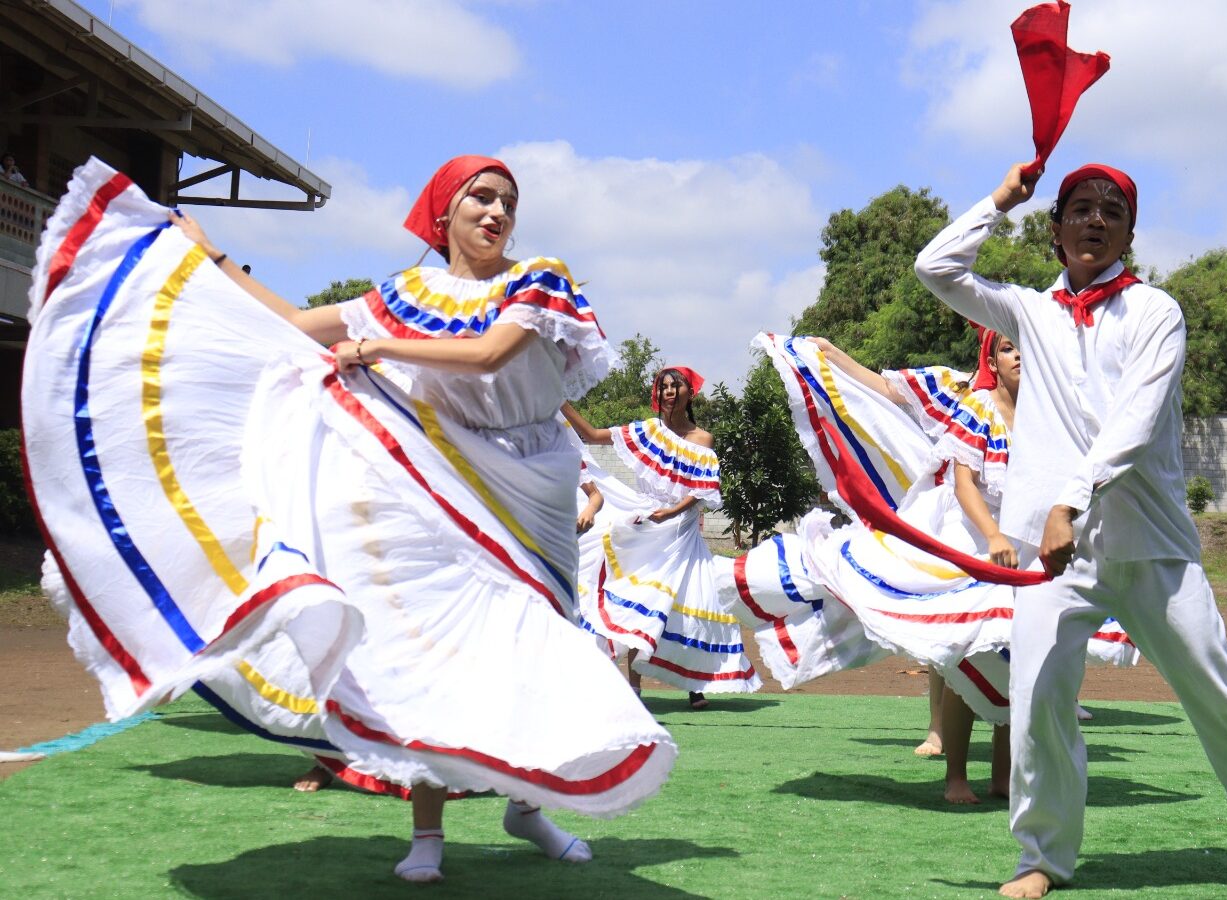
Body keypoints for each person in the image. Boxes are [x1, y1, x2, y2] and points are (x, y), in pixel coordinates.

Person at [24, 155, 675, 884]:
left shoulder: (539, 278)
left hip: (531, 486)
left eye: (507, 203)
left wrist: (375, 347)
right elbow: (297, 325)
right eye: (480, 198)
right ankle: (426, 834)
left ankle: (526, 807)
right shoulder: (406, 292)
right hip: (432, 484)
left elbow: (491, 356)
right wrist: (213, 260)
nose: (496, 213)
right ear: (444, 212)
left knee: (535, 644)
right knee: (433, 657)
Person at [915, 161, 1227, 894]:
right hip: (1055, 560)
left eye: (1112, 211)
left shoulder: (1157, 313)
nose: (1095, 221)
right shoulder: (1027, 313)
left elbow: (1135, 421)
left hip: (1149, 543)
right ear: (1055, 228)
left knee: (1225, 696)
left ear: (1130, 233)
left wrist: (1068, 501)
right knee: (1039, 703)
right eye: (1080, 209)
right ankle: (1041, 859)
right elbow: (936, 267)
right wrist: (1000, 200)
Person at [733, 331, 1136, 804]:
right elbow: (950, 465)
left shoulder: (1054, 415)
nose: (1021, 355)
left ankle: (1004, 777)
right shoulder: (970, 398)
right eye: (1007, 347)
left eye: (1029, 346)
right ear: (992, 356)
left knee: (1013, 657)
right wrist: (830, 354)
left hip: (1023, 546)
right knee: (968, 648)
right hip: (966, 539)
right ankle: (956, 777)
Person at [563, 368, 761, 708]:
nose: (669, 391)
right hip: (647, 524)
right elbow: (593, 434)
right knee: (641, 598)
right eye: (664, 387)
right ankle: (635, 689)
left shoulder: (702, 439)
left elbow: (700, 491)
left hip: (681, 530)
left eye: (675, 386)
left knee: (694, 604)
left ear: (689, 393)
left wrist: (671, 512)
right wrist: (559, 402)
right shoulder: (648, 431)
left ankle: (695, 687)